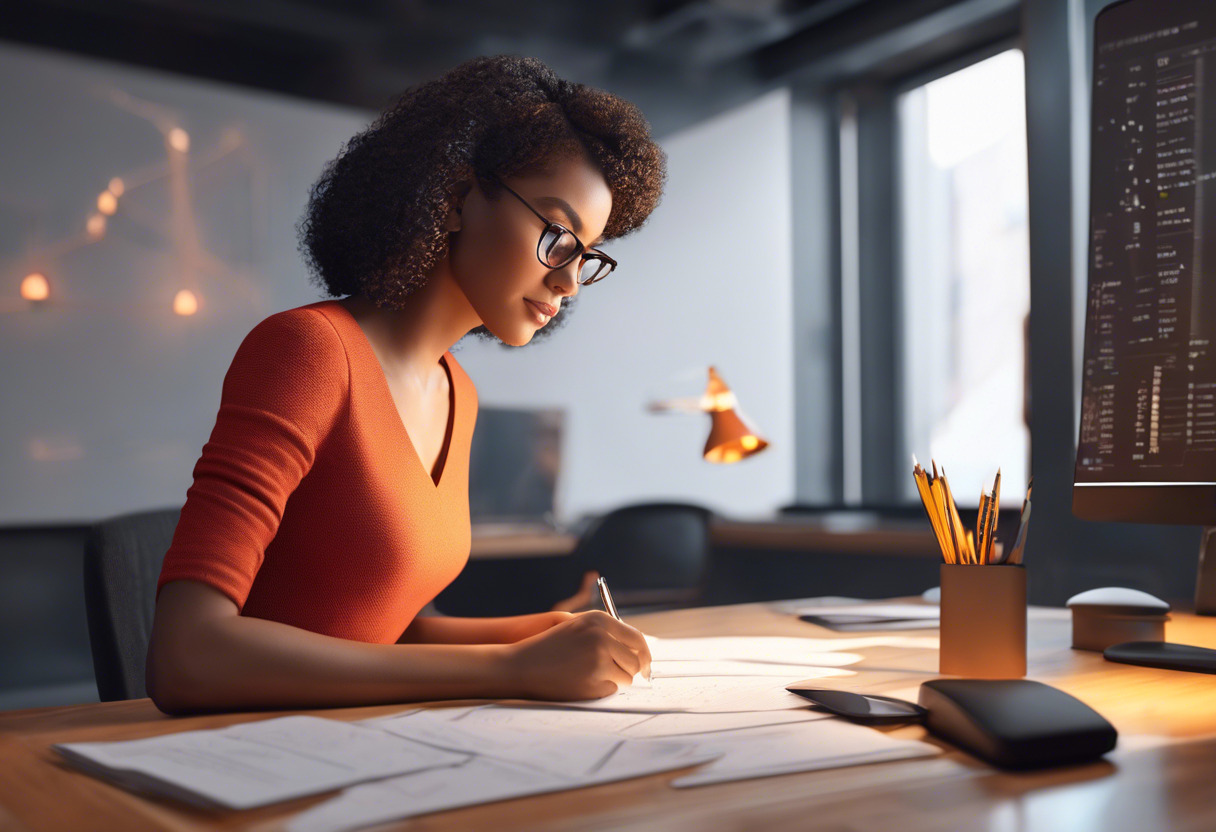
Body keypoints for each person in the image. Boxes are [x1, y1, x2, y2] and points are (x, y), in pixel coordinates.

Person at [145, 55, 666, 715]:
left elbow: (380, 627)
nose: (568, 282)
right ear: (454, 198)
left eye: (587, 256)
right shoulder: (310, 352)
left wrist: (538, 634)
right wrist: (509, 666)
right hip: (251, 763)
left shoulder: (458, 392)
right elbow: (188, 657)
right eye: (558, 235)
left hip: (361, 745)